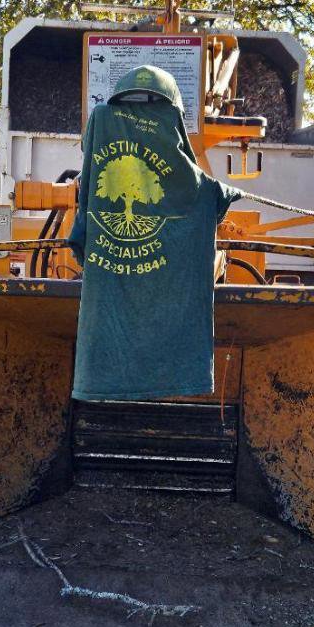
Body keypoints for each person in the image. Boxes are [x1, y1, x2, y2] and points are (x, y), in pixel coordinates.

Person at [67, 64, 241, 401]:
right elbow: (201, 192)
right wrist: (229, 193)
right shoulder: (187, 172)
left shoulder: (101, 120)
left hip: (108, 287)